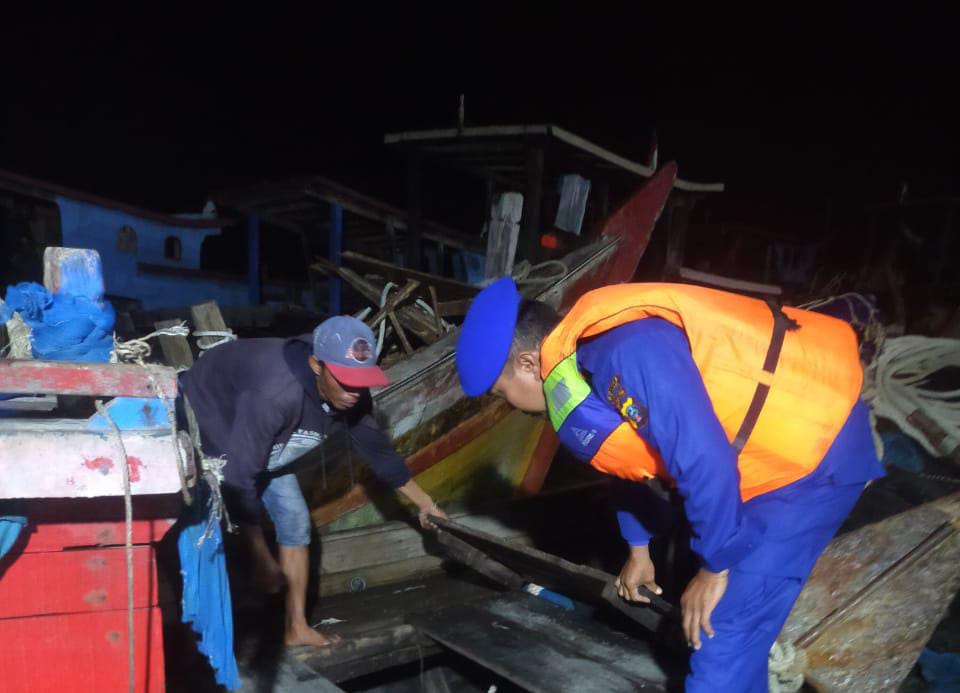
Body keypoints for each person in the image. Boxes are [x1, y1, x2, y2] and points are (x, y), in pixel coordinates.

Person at [454, 279, 884, 691]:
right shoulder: (582, 361)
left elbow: (704, 460)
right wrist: (638, 549)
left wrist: (715, 568)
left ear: (528, 364)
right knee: (729, 639)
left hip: (811, 457)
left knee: (719, 635)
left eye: (501, 393)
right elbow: (630, 456)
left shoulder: (629, 350)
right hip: (754, 464)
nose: (509, 405)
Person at [179, 316, 446, 648]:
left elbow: (381, 455)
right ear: (316, 365)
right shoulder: (275, 394)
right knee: (206, 529)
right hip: (212, 425)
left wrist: (426, 504)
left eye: (361, 382)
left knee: (294, 519)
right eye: (346, 381)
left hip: (265, 442)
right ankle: (200, 635)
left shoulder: (351, 396)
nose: (354, 393)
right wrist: (261, 557)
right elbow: (238, 477)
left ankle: (296, 627)